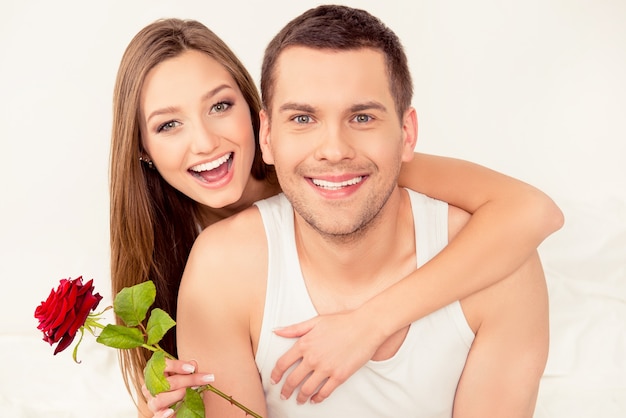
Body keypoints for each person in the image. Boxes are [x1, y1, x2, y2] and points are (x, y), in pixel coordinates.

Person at [109, 17, 562, 418]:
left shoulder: (359, 168)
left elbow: (530, 210)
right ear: (142, 151)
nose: (205, 141)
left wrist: (370, 323)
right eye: (169, 124)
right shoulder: (206, 261)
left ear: (256, 118)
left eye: (221, 106)